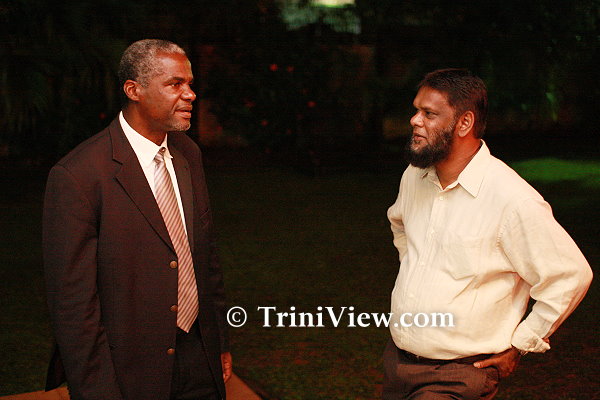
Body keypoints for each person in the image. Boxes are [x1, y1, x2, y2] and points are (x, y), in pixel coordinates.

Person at [383, 68, 592, 399]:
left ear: (464, 123)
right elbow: (399, 223)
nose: (414, 120)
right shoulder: (415, 176)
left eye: (429, 113)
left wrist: (522, 343)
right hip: (398, 364)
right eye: (416, 110)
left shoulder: (512, 199)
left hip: (459, 376)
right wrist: (418, 265)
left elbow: (570, 275)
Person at [43, 39, 231, 400]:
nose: (190, 94)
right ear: (134, 90)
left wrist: (220, 341)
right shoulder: (79, 175)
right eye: (175, 84)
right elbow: (74, 306)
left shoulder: (188, 153)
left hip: (199, 356)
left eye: (190, 84)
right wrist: (97, 389)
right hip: (129, 370)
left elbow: (205, 257)